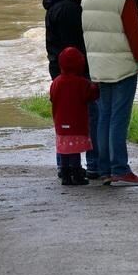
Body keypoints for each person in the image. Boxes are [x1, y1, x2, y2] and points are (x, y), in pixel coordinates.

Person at [81, 0, 138, 187]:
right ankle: (120, 168)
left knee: (104, 117)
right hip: (122, 65)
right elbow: (133, 31)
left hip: (97, 65)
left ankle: (104, 169)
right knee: (119, 118)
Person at [42, 0, 100, 179]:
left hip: (58, 69)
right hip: (72, 72)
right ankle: (90, 164)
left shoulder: (54, 5)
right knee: (86, 117)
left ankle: (64, 165)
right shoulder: (69, 9)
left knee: (63, 119)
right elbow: (74, 45)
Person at [50, 47, 99, 186]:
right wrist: (96, 85)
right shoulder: (82, 83)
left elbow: (52, 97)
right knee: (74, 151)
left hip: (61, 124)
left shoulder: (56, 82)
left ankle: (65, 175)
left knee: (65, 150)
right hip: (77, 124)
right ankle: (76, 174)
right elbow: (92, 95)